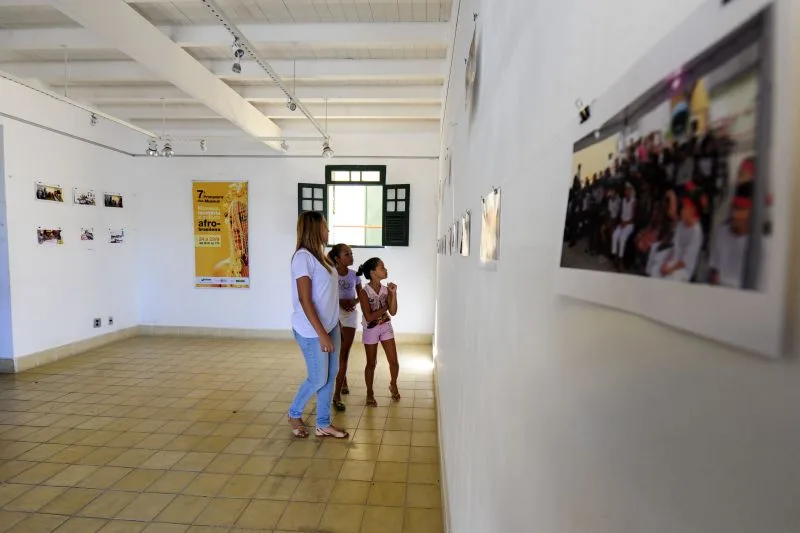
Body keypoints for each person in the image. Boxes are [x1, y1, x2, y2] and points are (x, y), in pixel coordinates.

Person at [287, 212, 348, 439]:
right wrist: (322, 334)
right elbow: (305, 300)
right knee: (318, 377)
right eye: (325, 226)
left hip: (331, 326)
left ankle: (323, 424)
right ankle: (294, 413)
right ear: (314, 229)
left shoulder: (322, 256)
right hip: (311, 330)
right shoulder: (302, 258)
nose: (328, 230)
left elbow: (327, 294)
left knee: (331, 375)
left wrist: (335, 324)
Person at [356, 257, 400, 407]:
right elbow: (368, 317)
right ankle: (369, 392)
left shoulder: (387, 289)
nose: (385, 269)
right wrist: (385, 307)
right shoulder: (364, 292)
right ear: (373, 272)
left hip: (386, 326)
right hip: (370, 330)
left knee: (394, 361)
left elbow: (393, 312)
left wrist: (393, 294)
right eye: (382, 267)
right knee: (371, 363)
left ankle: (393, 384)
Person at [328, 243, 362, 412]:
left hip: (349, 315)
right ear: (337, 259)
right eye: (347, 254)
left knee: (344, 353)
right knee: (336, 353)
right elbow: (325, 297)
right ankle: (340, 385)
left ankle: (337, 395)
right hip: (334, 314)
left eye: (351, 253)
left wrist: (353, 302)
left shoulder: (355, 275)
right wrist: (341, 302)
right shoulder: (330, 274)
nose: (351, 256)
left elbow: (361, 296)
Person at [654, 196, 704, 282]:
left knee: (669, 279)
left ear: (692, 210)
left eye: (685, 208)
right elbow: (675, 249)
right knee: (655, 269)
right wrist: (665, 264)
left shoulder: (696, 232)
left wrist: (670, 269)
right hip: (674, 261)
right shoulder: (680, 225)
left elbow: (685, 261)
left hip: (683, 269)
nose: (682, 211)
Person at [709, 195, 751, 288]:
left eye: (741, 210)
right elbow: (714, 269)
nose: (735, 214)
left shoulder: (756, 242)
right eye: (734, 208)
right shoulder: (721, 232)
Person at [612, 182, 636, 270]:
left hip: (629, 225)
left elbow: (633, 217)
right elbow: (622, 212)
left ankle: (620, 260)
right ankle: (615, 256)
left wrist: (626, 223)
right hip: (622, 223)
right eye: (626, 190)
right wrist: (621, 221)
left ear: (631, 191)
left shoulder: (633, 201)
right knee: (615, 235)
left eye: (628, 190)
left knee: (622, 238)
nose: (627, 192)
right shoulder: (623, 200)